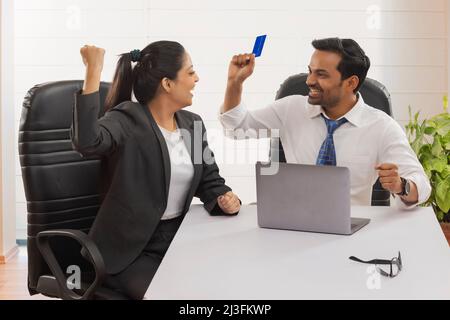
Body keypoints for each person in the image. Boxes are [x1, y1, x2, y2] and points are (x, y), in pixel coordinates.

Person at [73, 41, 241, 300]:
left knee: (225, 285)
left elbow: (210, 181)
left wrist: (225, 198)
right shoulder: (126, 118)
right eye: (190, 72)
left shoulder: (192, 124)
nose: (196, 79)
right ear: (167, 83)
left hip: (177, 241)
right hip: (129, 253)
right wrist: (93, 72)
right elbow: (87, 141)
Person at [219, 37, 431, 208]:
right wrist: (234, 83)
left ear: (351, 82)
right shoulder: (291, 109)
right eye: (310, 71)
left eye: (321, 74)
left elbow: (421, 184)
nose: (309, 80)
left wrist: (401, 186)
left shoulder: (381, 126)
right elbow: (236, 128)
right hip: (293, 224)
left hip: (351, 228)